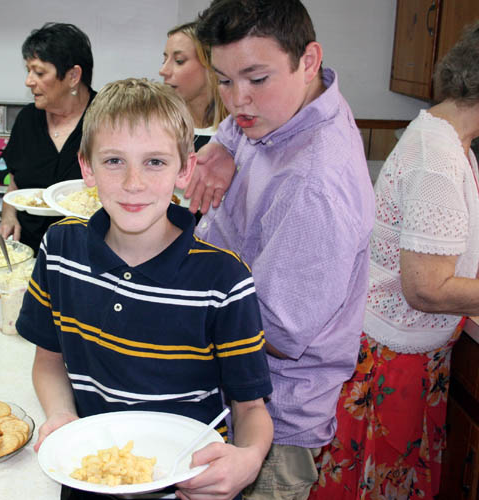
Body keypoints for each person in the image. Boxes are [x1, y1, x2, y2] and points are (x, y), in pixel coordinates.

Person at [16, 78, 273, 500]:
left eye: (154, 162)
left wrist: (249, 458)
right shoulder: (59, 249)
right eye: (114, 161)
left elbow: (249, 408)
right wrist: (61, 415)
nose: (133, 182)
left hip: (188, 485)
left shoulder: (224, 280)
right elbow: (48, 361)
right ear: (86, 167)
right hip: (88, 480)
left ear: (185, 169)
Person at [188, 1, 376, 498]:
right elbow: (239, 121)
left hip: (273, 419)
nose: (238, 101)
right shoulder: (290, 108)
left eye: (256, 78)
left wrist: (173, 297)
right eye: (224, 80)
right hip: (229, 394)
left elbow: (273, 331)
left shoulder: (317, 186)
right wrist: (224, 145)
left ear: (308, 60)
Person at [311, 13, 479, 499]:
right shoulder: (437, 159)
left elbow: (478, 260)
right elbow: (427, 290)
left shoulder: (456, 144)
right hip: (388, 361)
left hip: (411, 354)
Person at [0, 22, 95, 252]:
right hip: (30, 250)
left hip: (88, 250)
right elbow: (15, 183)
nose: (28, 81)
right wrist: (8, 215)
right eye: (28, 71)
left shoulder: (107, 118)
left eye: (39, 73)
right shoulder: (27, 119)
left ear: (73, 76)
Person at [160, 21, 228, 151]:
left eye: (179, 61)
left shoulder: (240, 135)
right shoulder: (160, 127)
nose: (163, 71)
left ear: (211, 66)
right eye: (164, 60)